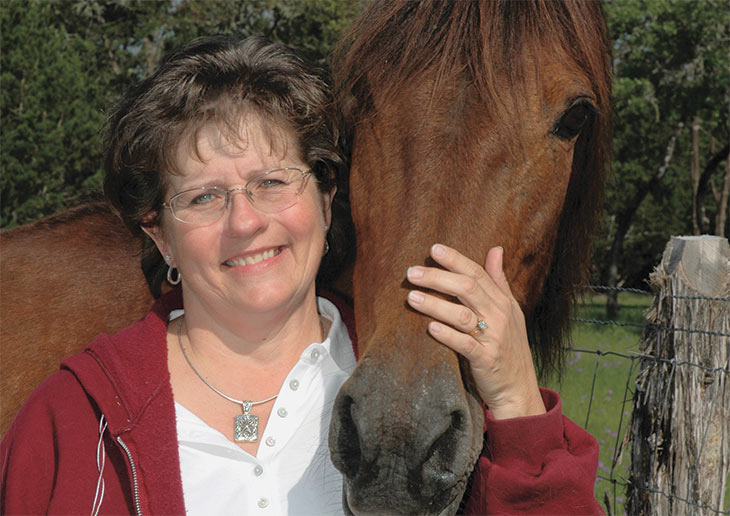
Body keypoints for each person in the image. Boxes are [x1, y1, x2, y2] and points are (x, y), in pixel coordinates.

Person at [0, 35, 601, 515]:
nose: (246, 223)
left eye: (272, 182)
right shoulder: (69, 419)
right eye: (205, 197)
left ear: (325, 195)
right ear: (158, 232)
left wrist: (521, 407)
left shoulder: (457, 417)